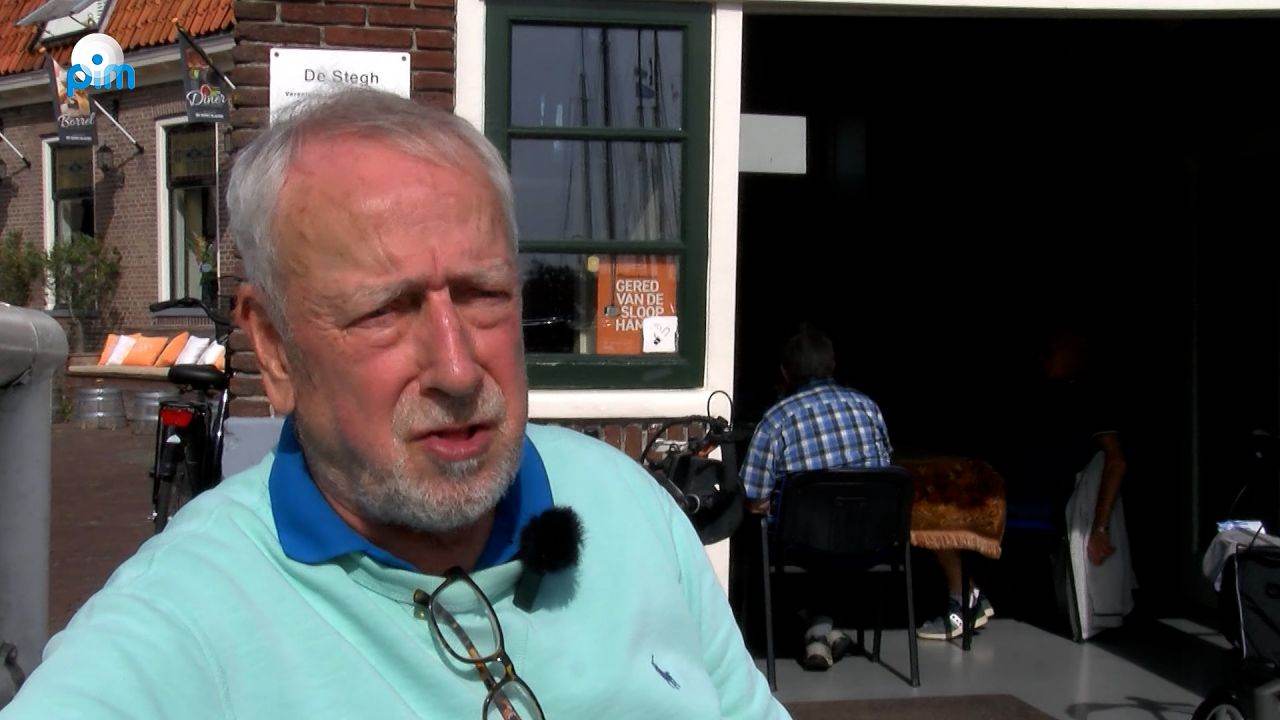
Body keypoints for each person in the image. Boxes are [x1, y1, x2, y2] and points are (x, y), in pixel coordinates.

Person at [1, 88, 787, 719]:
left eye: (483, 295)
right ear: (273, 348)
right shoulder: (176, 623)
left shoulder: (629, 509)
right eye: (385, 310)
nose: (457, 367)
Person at [740, 325, 893, 671]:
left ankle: (812, 628)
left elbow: (754, 498)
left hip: (802, 546)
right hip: (870, 541)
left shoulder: (777, 419)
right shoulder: (868, 408)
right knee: (830, 532)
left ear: (784, 373)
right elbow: (884, 471)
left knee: (760, 533)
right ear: (833, 365)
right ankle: (823, 629)